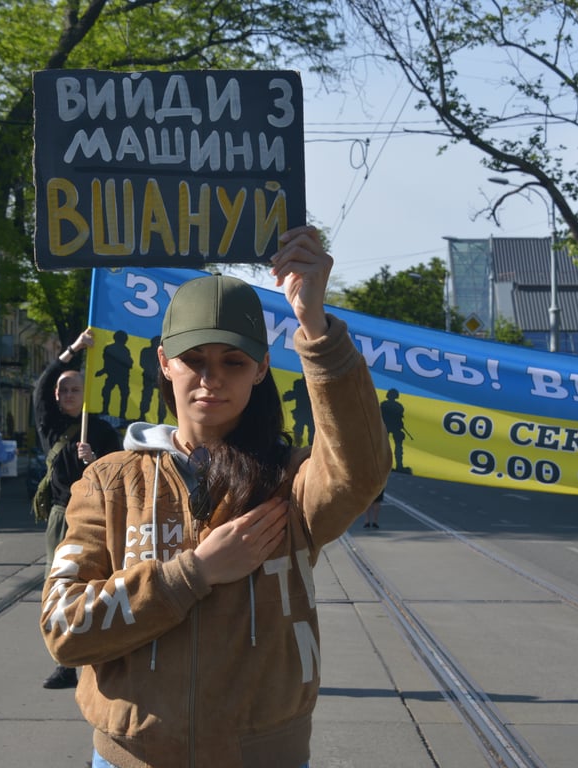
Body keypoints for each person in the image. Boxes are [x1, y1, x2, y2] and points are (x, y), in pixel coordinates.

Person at [40, 226, 391, 768]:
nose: (211, 378)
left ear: (261, 368)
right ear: (164, 362)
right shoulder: (110, 481)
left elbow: (360, 471)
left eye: (233, 361)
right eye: (194, 359)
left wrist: (315, 326)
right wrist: (194, 573)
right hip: (129, 758)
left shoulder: (290, 482)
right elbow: (63, 628)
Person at [35, 327, 122, 690]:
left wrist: (95, 460)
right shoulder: (51, 425)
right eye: (63, 390)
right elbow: (42, 384)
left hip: (98, 516)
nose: (67, 394)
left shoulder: (101, 430)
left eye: (74, 389)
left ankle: (104, 656)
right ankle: (65, 663)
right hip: (62, 516)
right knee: (60, 588)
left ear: (85, 393)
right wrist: (73, 349)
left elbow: (121, 473)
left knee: (100, 585)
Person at [380, 388, 410, 473]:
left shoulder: (385, 404)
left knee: (397, 447)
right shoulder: (395, 405)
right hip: (388, 426)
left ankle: (397, 465)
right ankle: (394, 465)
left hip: (392, 427)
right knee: (389, 447)